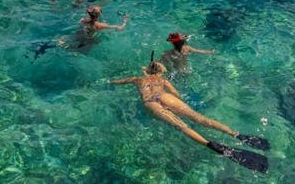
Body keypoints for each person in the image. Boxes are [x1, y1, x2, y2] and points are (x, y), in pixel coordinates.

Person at [111, 55, 270, 173]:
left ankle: (212, 146)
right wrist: (175, 104)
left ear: (146, 70)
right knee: (200, 118)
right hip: (165, 96)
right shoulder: (164, 81)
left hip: (150, 102)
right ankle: (237, 135)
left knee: (181, 126)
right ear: (161, 71)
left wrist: (110, 82)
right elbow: (176, 94)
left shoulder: (137, 79)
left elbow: (117, 82)